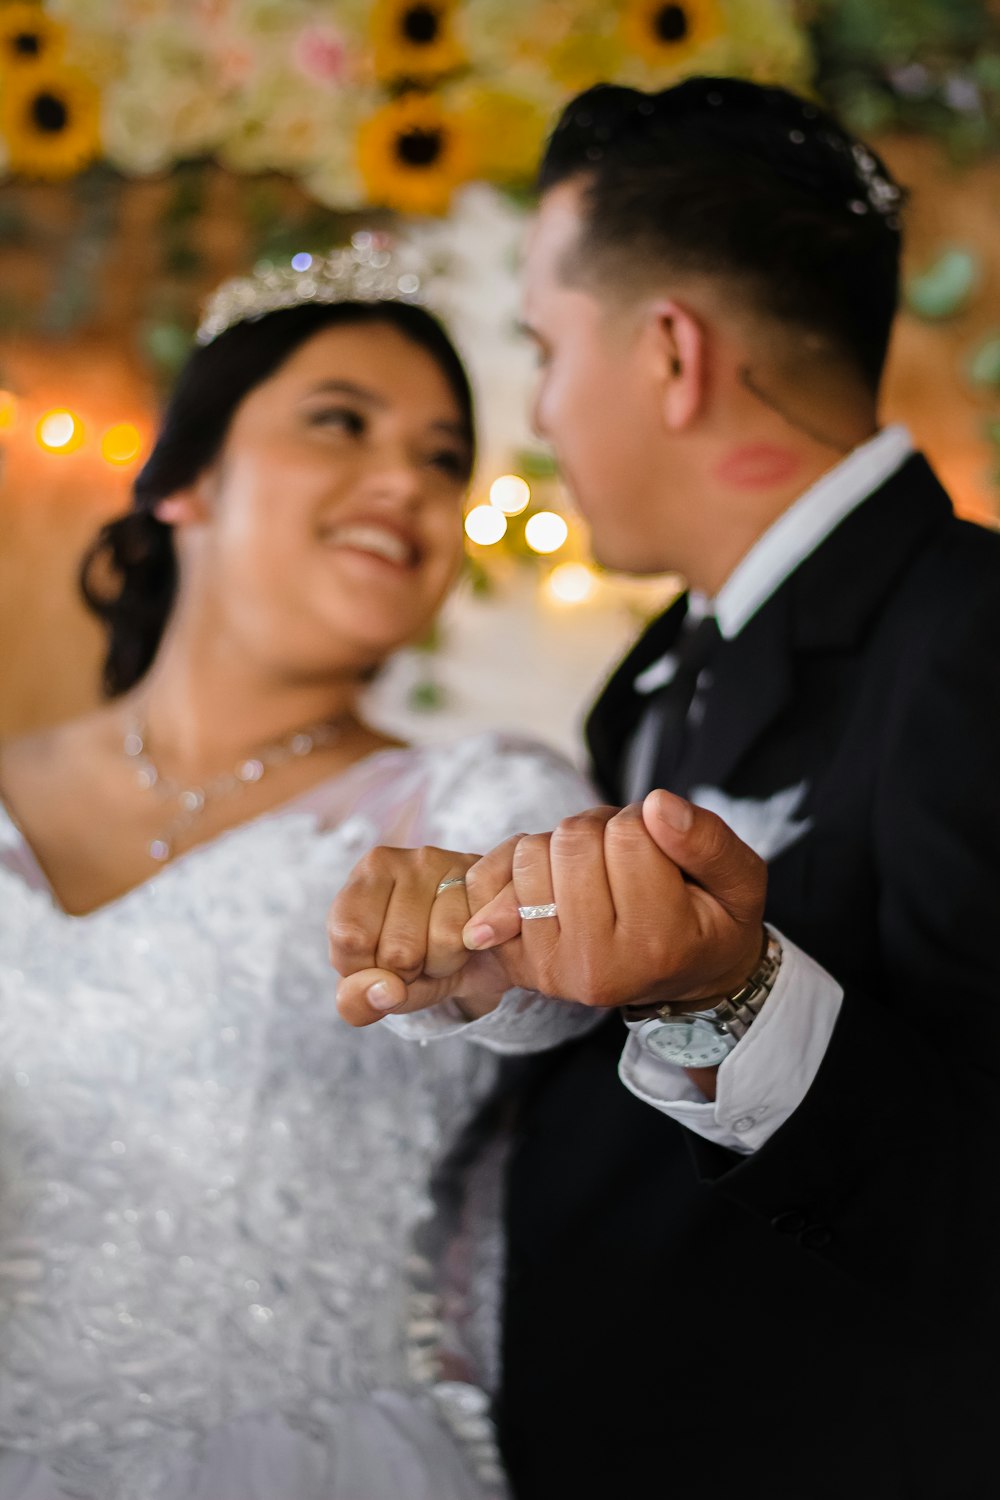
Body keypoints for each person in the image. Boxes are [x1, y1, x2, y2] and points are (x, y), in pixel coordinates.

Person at [330, 80, 1000, 1498]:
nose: (544, 410)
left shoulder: (972, 630)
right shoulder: (656, 668)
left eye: (545, 349)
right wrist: (506, 964)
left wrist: (731, 992)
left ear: (672, 354)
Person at [0, 244, 598, 1499]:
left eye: (443, 459)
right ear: (187, 482)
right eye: (342, 424)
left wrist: (474, 942)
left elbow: (557, 980)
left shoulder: (479, 797)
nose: (407, 485)